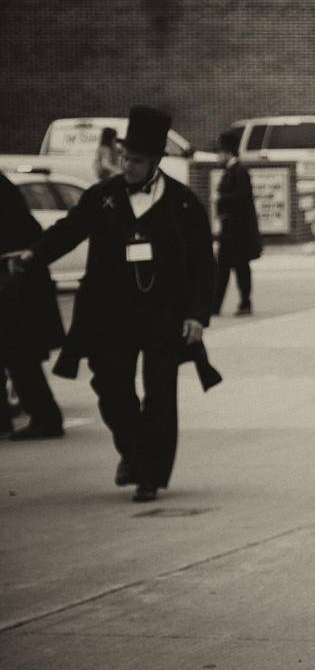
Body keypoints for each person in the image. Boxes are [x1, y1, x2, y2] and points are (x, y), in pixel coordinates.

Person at [10, 106, 217, 502]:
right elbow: (68, 231)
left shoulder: (183, 204)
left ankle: (150, 476)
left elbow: (203, 264)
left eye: (136, 161)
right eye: (125, 158)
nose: (128, 167)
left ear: (155, 161)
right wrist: (34, 255)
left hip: (164, 313)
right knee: (110, 387)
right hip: (111, 312)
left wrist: (196, 315)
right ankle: (135, 452)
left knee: (160, 394)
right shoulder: (103, 197)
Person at [0, 172, 66, 440]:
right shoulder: (6, 190)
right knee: (17, 353)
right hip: (19, 281)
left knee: (18, 354)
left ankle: (46, 418)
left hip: (16, 282)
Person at [212, 130, 261, 317]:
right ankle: (216, 305)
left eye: (220, 153)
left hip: (238, 231)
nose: (218, 157)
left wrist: (220, 197)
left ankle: (243, 302)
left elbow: (242, 195)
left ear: (227, 153)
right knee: (224, 268)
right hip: (230, 230)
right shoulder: (231, 171)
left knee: (238, 268)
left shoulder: (239, 171)